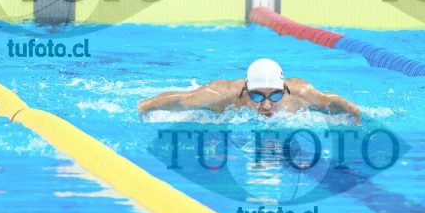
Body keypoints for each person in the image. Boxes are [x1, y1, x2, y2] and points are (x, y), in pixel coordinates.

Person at [138, 58, 361, 122]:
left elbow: (329, 102)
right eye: (257, 96)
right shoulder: (221, 95)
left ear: (284, 89)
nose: (266, 105)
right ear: (246, 90)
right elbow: (183, 100)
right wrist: (146, 106)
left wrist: (355, 114)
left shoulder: (300, 93)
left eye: (275, 95)